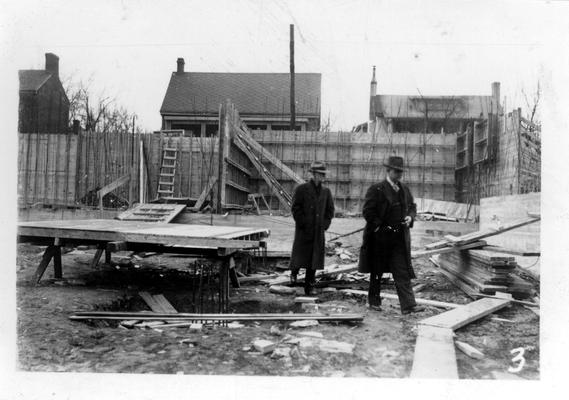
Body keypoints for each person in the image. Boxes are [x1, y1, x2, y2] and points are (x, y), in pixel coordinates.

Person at [358, 156, 425, 314]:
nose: (399, 175)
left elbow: (412, 206)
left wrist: (410, 216)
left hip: (399, 238)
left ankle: (409, 305)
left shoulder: (404, 189)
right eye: (396, 171)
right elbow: (368, 212)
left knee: (402, 271)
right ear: (388, 171)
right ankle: (374, 302)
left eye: (401, 172)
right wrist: (380, 227)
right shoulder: (376, 189)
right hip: (379, 239)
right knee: (377, 271)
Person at [289, 161, 335, 295]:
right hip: (304, 230)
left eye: (323, 174)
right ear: (313, 174)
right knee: (299, 255)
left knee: (314, 260)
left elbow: (330, 210)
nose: (322, 177)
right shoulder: (302, 189)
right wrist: (302, 222)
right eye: (320, 174)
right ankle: (294, 273)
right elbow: (295, 208)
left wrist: (325, 225)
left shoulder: (326, 191)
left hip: (318, 231)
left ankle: (309, 286)